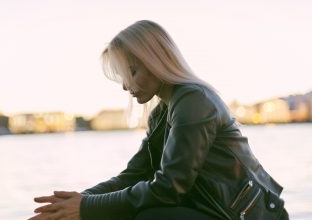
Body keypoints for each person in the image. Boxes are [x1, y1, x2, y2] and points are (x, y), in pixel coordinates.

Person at [29, 20, 289, 220]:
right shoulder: (163, 112)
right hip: (215, 211)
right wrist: (75, 202)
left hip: (251, 216)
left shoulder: (194, 101)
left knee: (149, 216)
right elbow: (134, 174)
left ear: (156, 61)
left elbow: (168, 188)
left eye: (131, 71)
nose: (125, 85)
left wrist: (86, 208)